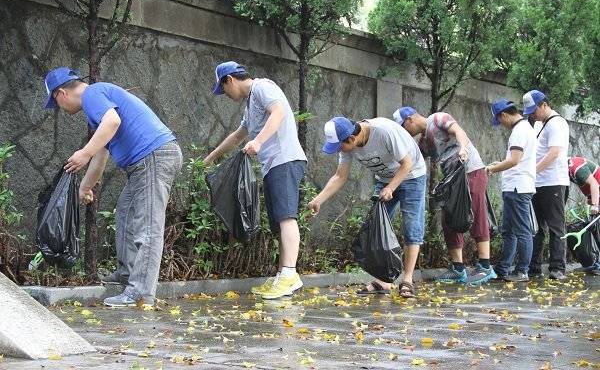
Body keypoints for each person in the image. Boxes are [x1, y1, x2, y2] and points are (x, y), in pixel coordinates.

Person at [42, 67, 182, 307]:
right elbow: (101, 154)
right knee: (125, 215)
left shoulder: (93, 94)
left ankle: (140, 293)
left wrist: (84, 152)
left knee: (147, 227)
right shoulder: (96, 103)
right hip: (146, 162)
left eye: (56, 105)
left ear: (60, 94)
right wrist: (84, 187)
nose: (61, 111)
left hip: (153, 158)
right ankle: (128, 275)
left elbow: (113, 122)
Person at [204, 61, 307, 300]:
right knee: (278, 222)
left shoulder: (262, 87)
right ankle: (283, 276)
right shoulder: (250, 105)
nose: (225, 95)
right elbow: (238, 135)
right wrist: (212, 157)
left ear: (229, 80)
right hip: (273, 164)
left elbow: (279, 112)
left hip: (285, 159)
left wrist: (258, 141)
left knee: (286, 217)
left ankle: (290, 273)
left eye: (223, 89)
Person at [308, 116, 427, 298]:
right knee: (376, 229)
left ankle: (407, 280)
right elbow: (340, 176)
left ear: (352, 138)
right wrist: (319, 199)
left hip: (413, 176)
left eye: (340, 146)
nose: (340, 150)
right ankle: (383, 281)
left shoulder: (385, 132)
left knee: (411, 226)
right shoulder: (347, 145)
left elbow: (407, 164)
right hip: (385, 179)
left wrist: (391, 188)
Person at [395, 107, 495, 285]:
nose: (405, 132)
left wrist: (463, 148)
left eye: (403, 127)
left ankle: (485, 266)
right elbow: (411, 161)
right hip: (451, 180)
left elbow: (459, 131)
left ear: (409, 120)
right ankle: (458, 268)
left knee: (476, 213)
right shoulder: (423, 143)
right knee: (449, 219)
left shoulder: (438, 119)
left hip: (470, 170)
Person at [486, 99, 537, 282]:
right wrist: (498, 164)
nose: (501, 125)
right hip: (515, 186)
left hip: (518, 187)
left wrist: (492, 169)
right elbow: (516, 160)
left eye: (500, 121)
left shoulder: (519, 131)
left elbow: (514, 161)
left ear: (504, 115)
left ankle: (522, 271)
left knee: (522, 230)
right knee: (509, 231)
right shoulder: (524, 129)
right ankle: (504, 269)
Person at [523, 90, 570, 280]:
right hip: (538, 183)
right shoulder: (540, 124)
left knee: (556, 227)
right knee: (537, 227)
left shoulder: (557, 123)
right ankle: (534, 267)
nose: (532, 115)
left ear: (544, 105)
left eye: (534, 110)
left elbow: (554, 153)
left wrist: (533, 171)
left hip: (554, 183)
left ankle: (557, 268)